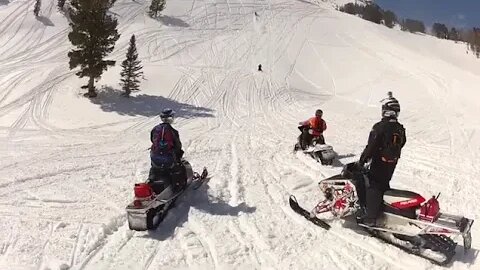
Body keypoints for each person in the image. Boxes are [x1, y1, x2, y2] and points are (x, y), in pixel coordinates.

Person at [357, 93, 406, 226]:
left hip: (379, 161)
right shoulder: (400, 128)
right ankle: (382, 209)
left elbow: (371, 146)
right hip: (392, 162)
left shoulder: (380, 126)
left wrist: (362, 160)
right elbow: (403, 143)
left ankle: (370, 218)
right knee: (384, 184)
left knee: (374, 186)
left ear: (386, 111)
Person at [149, 109, 187, 192]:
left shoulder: (155, 129)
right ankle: (177, 187)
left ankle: (151, 181)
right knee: (178, 168)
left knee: (154, 169)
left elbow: (152, 140)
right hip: (169, 159)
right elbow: (178, 146)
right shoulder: (173, 131)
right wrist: (179, 154)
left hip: (155, 157)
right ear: (171, 118)